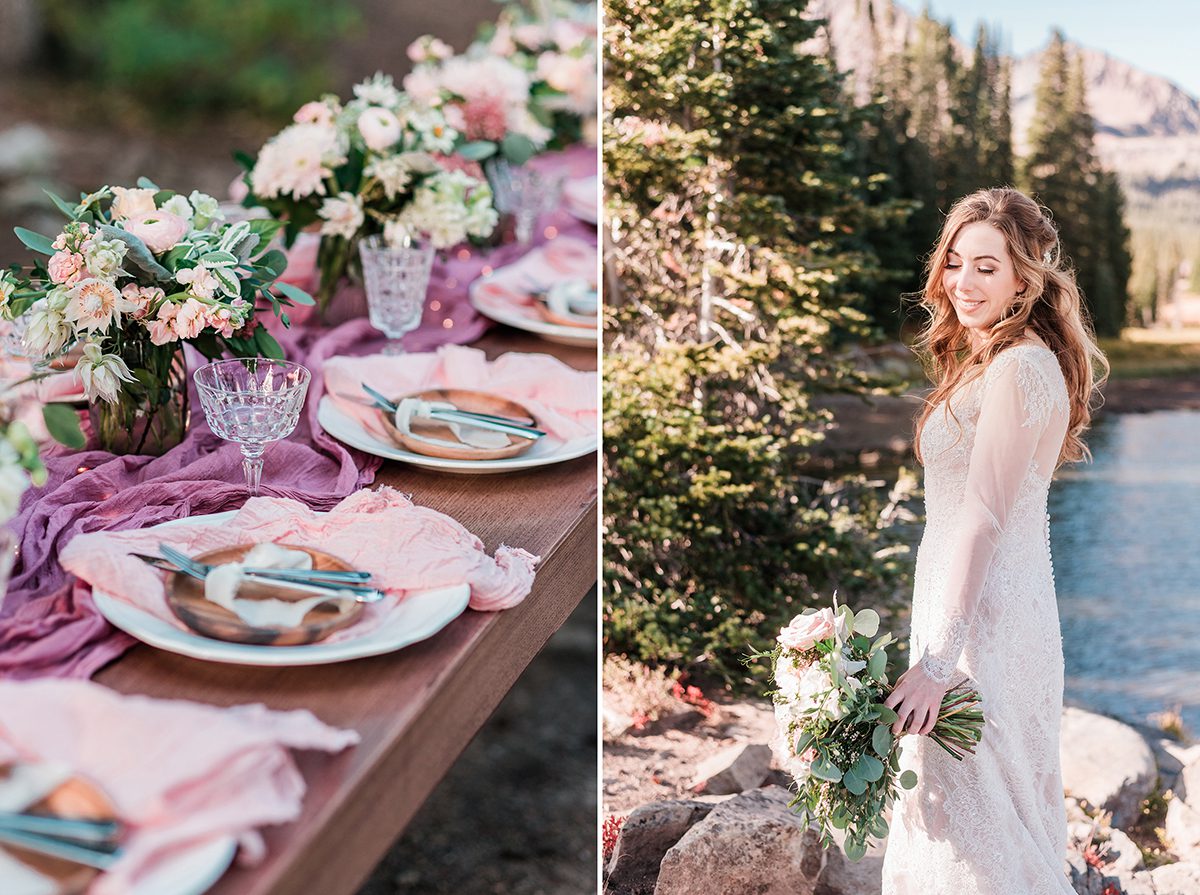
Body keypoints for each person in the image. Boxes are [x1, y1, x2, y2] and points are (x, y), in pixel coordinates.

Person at [880, 187, 1107, 893]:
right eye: (955, 262)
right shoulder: (994, 363)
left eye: (987, 265)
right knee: (974, 808)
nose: (964, 282)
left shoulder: (1016, 367)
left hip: (984, 626)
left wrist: (938, 662)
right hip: (981, 602)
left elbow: (982, 514)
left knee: (971, 817)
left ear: (1024, 275)